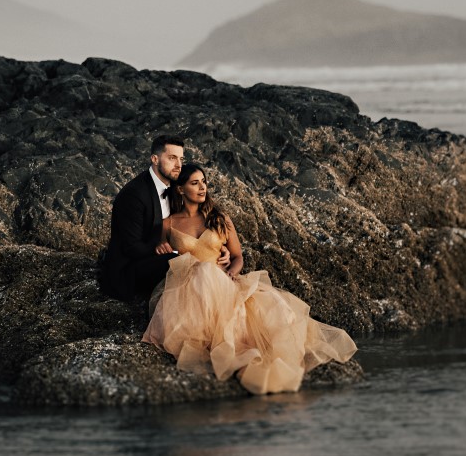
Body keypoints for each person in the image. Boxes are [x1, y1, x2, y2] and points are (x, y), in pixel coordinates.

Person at [142, 163, 358, 394]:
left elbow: (237, 257)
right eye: (195, 183)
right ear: (180, 189)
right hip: (189, 288)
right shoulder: (168, 224)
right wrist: (159, 246)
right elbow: (153, 251)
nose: (203, 187)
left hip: (224, 281)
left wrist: (232, 272)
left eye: (204, 182)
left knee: (273, 311)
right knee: (203, 273)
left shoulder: (219, 219)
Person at [101, 136, 229, 302]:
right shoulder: (134, 195)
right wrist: (158, 249)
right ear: (155, 159)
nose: (178, 165)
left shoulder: (174, 187)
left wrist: (216, 248)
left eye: (181, 159)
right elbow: (131, 247)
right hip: (130, 270)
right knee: (184, 265)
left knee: (194, 265)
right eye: (172, 158)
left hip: (161, 258)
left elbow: (186, 224)